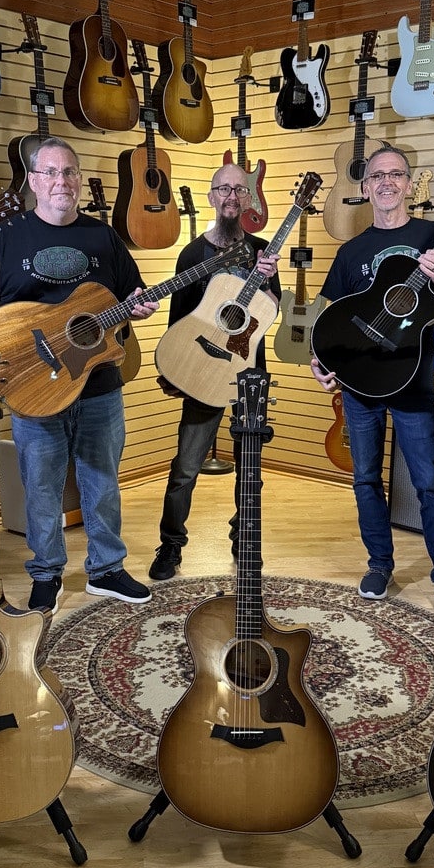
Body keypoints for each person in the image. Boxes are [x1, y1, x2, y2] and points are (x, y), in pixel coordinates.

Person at [0, 137, 158, 615]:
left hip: (98, 383)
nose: (60, 181)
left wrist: (138, 306)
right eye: (50, 172)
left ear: (79, 179)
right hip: (32, 385)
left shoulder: (103, 237)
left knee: (102, 481)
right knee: (41, 487)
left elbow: (132, 293)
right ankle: (46, 574)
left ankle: (106, 570)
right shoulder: (4, 238)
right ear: (32, 180)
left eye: (69, 172)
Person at [310, 144, 434, 618]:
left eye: (396, 174)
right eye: (377, 176)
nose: (386, 182)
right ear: (365, 188)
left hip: (413, 380)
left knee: (430, 482)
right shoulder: (351, 251)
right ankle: (380, 564)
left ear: (409, 183)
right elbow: (331, 318)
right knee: (365, 479)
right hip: (359, 385)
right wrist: (319, 360)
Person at [148, 163, 280, 581]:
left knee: (249, 470)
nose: (231, 196)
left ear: (248, 198)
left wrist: (268, 282)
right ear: (211, 197)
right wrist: (174, 370)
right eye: (223, 189)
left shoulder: (262, 251)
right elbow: (178, 319)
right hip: (203, 371)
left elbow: (270, 311)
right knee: (185, 468)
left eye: (238, 189)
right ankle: (171, 545)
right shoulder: (193, 254)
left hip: (248, 376)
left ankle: (245, 538)